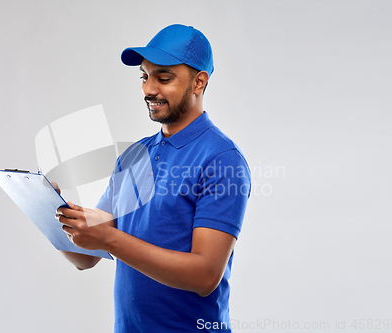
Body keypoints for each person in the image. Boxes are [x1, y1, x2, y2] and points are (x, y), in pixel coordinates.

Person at [55, 24, 250, 333]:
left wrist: (109, 238)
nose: (149, 90)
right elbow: (86, 257)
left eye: (164, 77)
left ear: (199, 82)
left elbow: (204, 276)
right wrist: (56, 214)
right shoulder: (133, 157)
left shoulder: (222, 159)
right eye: (144, 77)